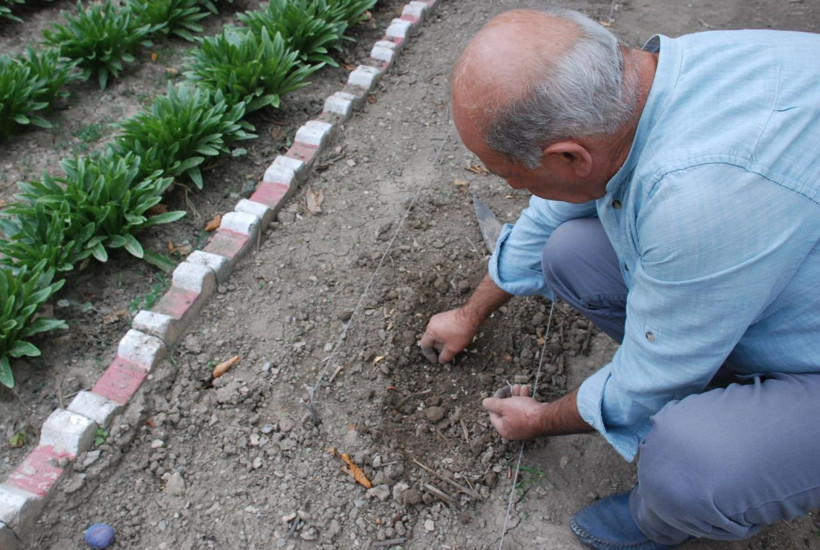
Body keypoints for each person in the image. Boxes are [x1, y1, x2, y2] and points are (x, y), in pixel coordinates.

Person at [419, 7, 820, 550]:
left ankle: (668, 516)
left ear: (568, 156)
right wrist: (469, 314)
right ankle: (733, 392)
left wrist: (536, 419)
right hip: (782, 263)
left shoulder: (696, 200)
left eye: (508, 174)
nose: (514, 188)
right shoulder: (650, 82)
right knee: (570, 252)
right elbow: (550, 213)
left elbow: (647, 382)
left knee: (688, 464)